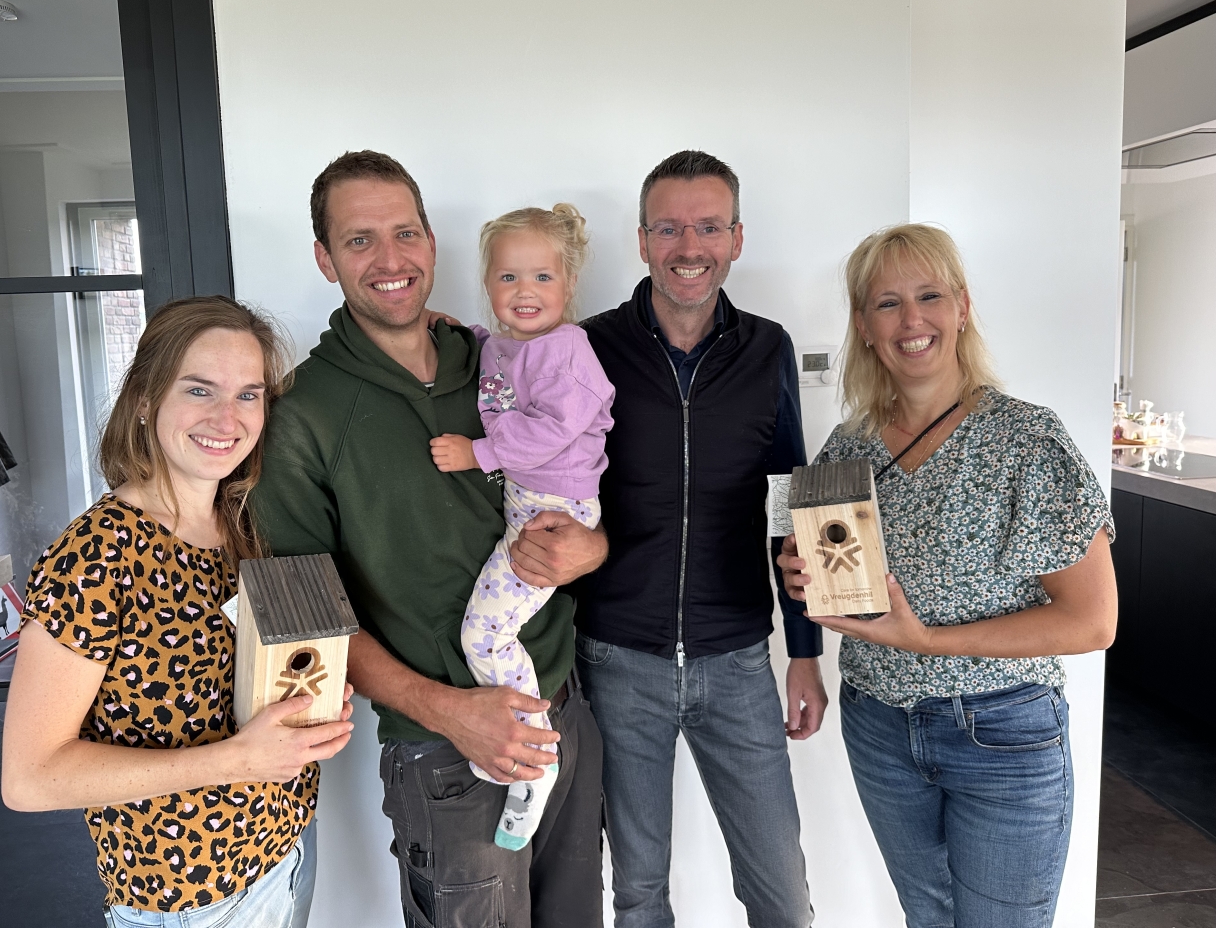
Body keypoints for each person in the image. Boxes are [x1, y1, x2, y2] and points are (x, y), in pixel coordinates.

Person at [250, 152, 610, 927]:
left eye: (405, 232)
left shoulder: (497, 355)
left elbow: (574, 477)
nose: (390, 259)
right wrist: (449, 711)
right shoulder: (301, 415)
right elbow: (309, 626)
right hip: (446, 754)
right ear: (324, 258)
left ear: (432, 241)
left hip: (563, 716)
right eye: (359, 240)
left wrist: (595, 547)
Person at [779, 223, 1117, 928]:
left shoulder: (1026, 438)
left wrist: (928, 639)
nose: (911, 321)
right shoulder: (850, 443)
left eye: (929, 296)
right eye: (887, 303)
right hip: (877, 725)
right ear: (864, 326)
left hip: (1001, 736)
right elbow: (844, 577)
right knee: (928, 918)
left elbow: (1092, 621)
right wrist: (806, 569)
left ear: (961, 307)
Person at [1, 296, 354, 928]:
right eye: (200, 390)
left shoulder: (243, 521)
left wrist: (308, 702)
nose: (229, 417)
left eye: (250, 394)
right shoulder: (96, 557)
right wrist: (237, 761)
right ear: (144, 398)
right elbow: (29, 779)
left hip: (285, 853)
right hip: (192, 900)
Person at [575, 150, 824, 928]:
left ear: (738, 237)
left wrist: (806, 651)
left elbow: (793, 503)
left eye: (709, 226)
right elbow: (514, 409)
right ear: (643, 239)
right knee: (639, 891)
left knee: (782, 894)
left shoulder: (768, 347)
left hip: (740, 661)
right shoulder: (586, 346)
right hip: (617, 662)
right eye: (671, 227)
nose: (691, 246)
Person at [429, 203, 615, 851]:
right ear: (488, 285)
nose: (524, 292)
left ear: (567, 287)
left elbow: (546, 430)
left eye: (541, 278)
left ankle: (533, 757)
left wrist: (474, 452)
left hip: (554, 517)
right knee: (491, 629)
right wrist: (469, 335)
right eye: (508, 278)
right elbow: (500, 369)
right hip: (527, 506)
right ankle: (528, 746)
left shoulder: (568, 351)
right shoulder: (510, 343)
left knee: (484, 631)